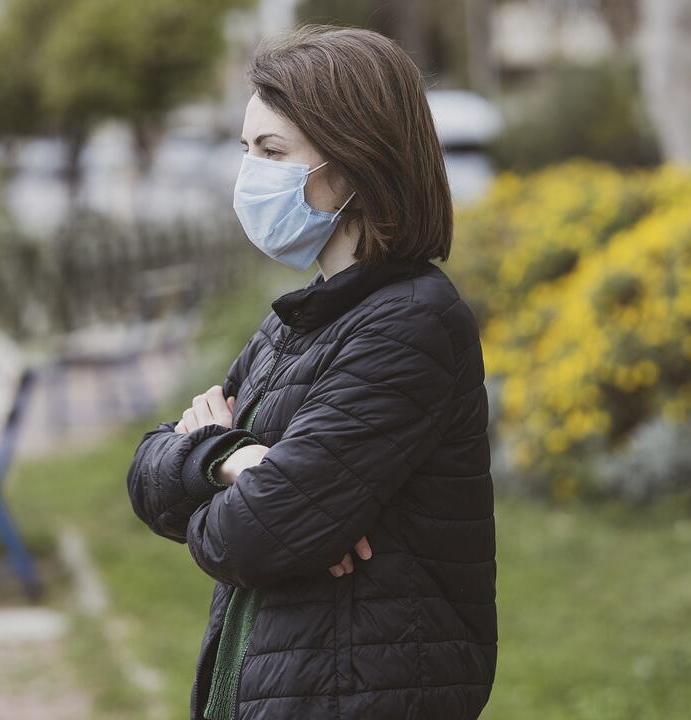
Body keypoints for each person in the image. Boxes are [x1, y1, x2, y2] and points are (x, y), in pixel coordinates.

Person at [126, 23, 496, 720]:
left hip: (358, 693)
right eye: (246, 150)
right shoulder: (301, 320)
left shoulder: (411, 324)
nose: (249, 175)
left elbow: (252, 536)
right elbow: (147, 474)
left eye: (272, 151)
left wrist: (225, 474)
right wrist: (234, 462)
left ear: (354, 162)